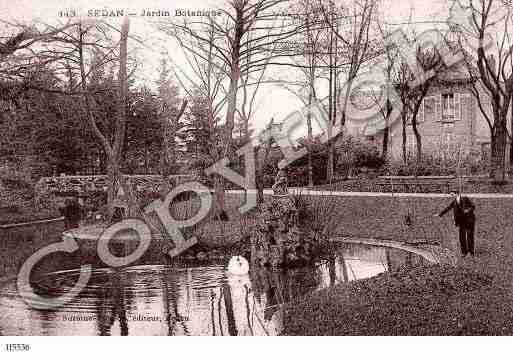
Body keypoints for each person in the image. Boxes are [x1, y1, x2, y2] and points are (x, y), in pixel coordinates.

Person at [434, 190, 475, 257]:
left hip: (469, 220)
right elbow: (448, 208)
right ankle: (464, 252)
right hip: (461, 221)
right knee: (461, 237)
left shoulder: (465, 198)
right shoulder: (455, 201)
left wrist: (467, 210)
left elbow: (473, 206)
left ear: (456, 193)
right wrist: (440, 214)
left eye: (452, 194)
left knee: (469, 237)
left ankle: (471, 253)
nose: (451, 196)